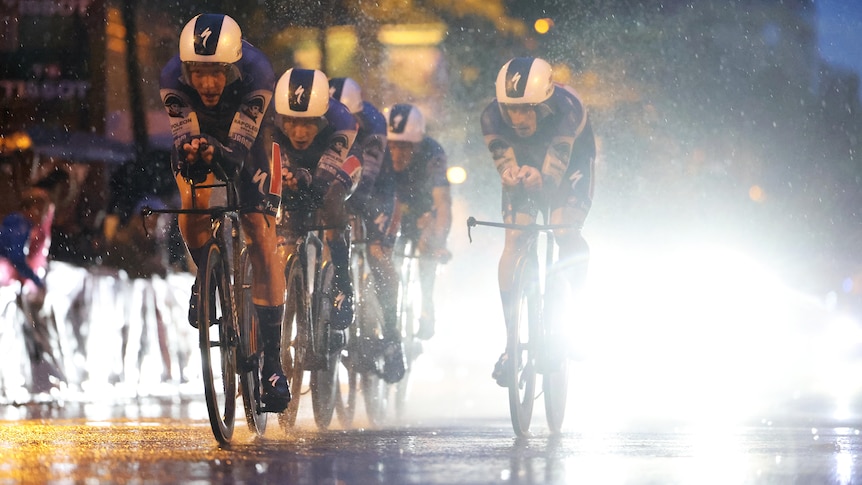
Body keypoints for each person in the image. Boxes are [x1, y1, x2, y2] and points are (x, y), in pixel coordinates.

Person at [159, 13, 289, 412]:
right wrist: (195, 153)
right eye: (198, 73)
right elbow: (185, 146)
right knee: (192, 199)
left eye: (217, 73)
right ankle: (206, 273)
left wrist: (218, 152)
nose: (208, 84)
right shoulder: (171, 78)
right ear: (186, 70)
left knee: (260, 234)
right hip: (203, 135)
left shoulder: (258, 72)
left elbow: (237, 154)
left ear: (232, 67)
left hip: (254, 144)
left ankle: (272, 363)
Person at [480, 56, 595, 387]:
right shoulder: (490, 116)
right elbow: (505, 164)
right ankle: (510, 343)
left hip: (572, 159)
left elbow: (554, 172)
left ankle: (575, 313)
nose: (518, 118)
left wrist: (540, 179)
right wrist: (511, 174)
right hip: (527, 160)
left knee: (563, 228)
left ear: (545, 103)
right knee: (514, 239)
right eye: (511, 110)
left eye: (528, 109)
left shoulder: (568, 109)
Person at [270, 68, 361, 342]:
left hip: (339, 161)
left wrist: (308, 182)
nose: (299, 132)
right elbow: (273, 168)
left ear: (322, 118)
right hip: (297, 165)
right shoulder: (269, 119)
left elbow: (323, 181)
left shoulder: (342, 120)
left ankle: (342, 283)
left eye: (308, 123)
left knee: (330, 199)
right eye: (292, 122)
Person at [330, 77, 404, 383]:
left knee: (376, 253)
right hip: (341, 176)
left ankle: (392, 335)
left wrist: (351, 206)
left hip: (378, 190)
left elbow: (369, 176)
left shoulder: (373, 124)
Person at [383, 103, 452, 342]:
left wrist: (438, 240)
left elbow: (443, 203)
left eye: (405, 147)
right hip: (390, 207)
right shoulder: (377, 147)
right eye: (392, 146)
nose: (396, 155)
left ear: (419, 144)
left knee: (427, 243)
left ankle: (426, 303)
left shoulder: (433, 154)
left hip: (421, 212)